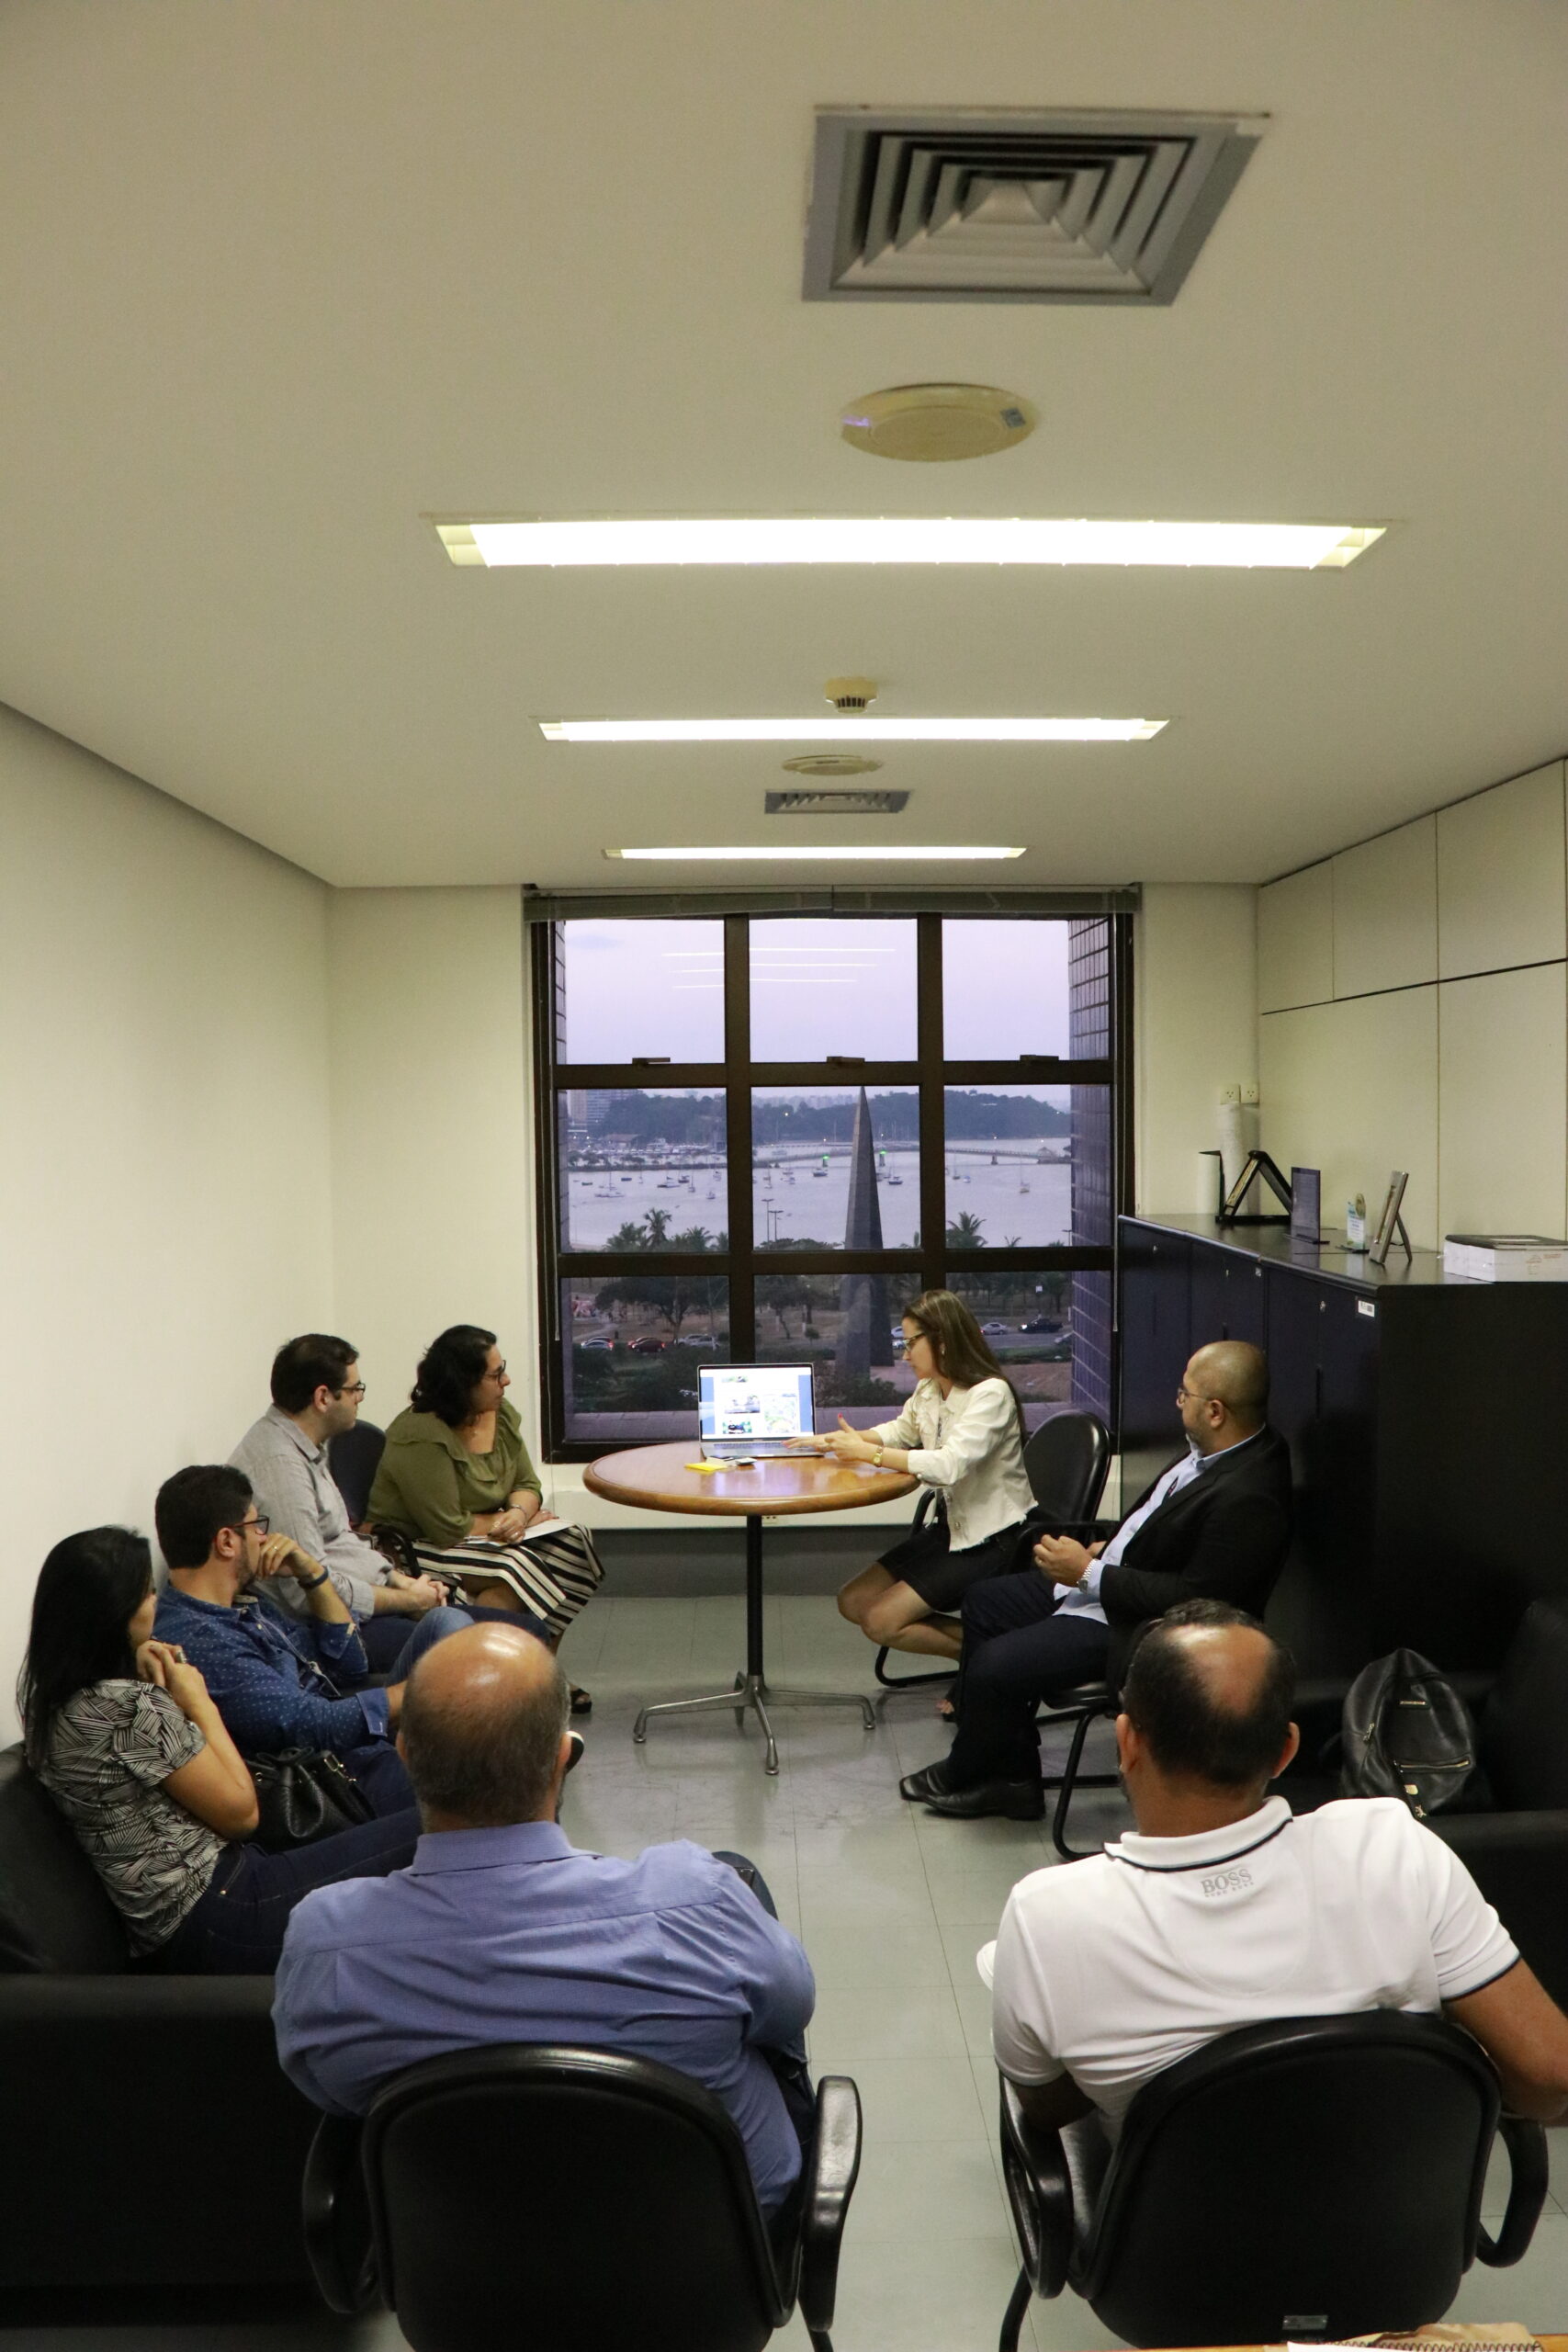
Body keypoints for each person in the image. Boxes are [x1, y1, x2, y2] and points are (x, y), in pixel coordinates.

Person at [274, 1623, 817, 2217]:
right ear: (563, 1757)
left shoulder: (326, 1944)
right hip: (711, 2243)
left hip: (460, 2254)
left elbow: (331, 2089)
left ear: (404, 1756)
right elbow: (790, 2011)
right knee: (741, 1895)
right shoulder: (698, 1901)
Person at [980, 1600, 1568, 2140]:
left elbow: (1045, 2106)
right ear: (1286, 1750)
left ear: (1127, 1741)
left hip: (1180, 2224)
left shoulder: (1048, 1916)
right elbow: (1549, 2074)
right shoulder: (1394, 1848)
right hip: (1396, 2220)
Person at [906, 1339, 1292, 1819]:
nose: (1177, 1402)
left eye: (1184, 1394)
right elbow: (1161, 1526)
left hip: (1139, 1624)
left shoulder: (1250, 1494)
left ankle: (975, 1770)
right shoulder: (1212, 1452)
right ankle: (1009, 1774)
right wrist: (1103, 1550)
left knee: (994, 1665)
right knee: (985, 1600)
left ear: (1215, 1411)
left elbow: (1197, 1598)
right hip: (1111, 1580)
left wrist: (1088, 1572)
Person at [19, 1526, 420, 1973]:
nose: (156, 1604)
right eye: (148, 1595)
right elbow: (242, 1813)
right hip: (222, 1908)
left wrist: (140, 1653)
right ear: (115, 1613)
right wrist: (199, 1702)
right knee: (429, 1829)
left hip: (191, 1915)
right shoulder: (127, 1708)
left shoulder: (54, 1707)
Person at [152, 1464, 470, 1815]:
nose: (264, 1538)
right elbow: (310, 1727)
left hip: (346, 1728)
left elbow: (349, 1666)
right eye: (256, 1526)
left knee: (448, 1622)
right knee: (476, 1760)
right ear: (227, 1542)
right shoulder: (202, 1640)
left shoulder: (241, 1602)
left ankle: (457, 1738)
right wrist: (435, 1688)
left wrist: (313, 1575)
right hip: (336, 1778)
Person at [367, 1325, 604, 1713]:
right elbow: (446, 1527)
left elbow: (527, 1483)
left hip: (482, 1534)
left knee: (574, 1541)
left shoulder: (500, 1414)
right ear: (463, 1383)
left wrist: (518, 1514)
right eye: (495, 1375)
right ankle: (516, 1683)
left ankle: (534, 1671)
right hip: (415, 1546)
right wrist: (512, 1521)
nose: (506, 1381)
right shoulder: (420, 1433)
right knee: (517, 1567)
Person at [231, 1332, 461, 1668]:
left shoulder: (307, 1443)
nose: (360, 1398)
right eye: (355, 1389)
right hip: (326, 1631)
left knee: (504, 1630)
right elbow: (307, 1593)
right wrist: (409, 1600)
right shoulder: (281, 1466)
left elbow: (342, 1542)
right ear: (323, 1397)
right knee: (467, 1642)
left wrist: (401, 1582)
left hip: (358, 1603)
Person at [827, 1289, 1034, 1661]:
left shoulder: (991, 1394)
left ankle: (995, 1658)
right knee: (853, 1600)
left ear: (942, 1341)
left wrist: (869, 1454)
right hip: (949, 1528)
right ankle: (989, 1650)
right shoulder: (930, 1388)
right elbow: (902, 1431)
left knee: (881, 1621)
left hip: (992, 1539)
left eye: (910, 1343)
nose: (904, 1355)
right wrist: (842, 1441)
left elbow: (947, 1466)